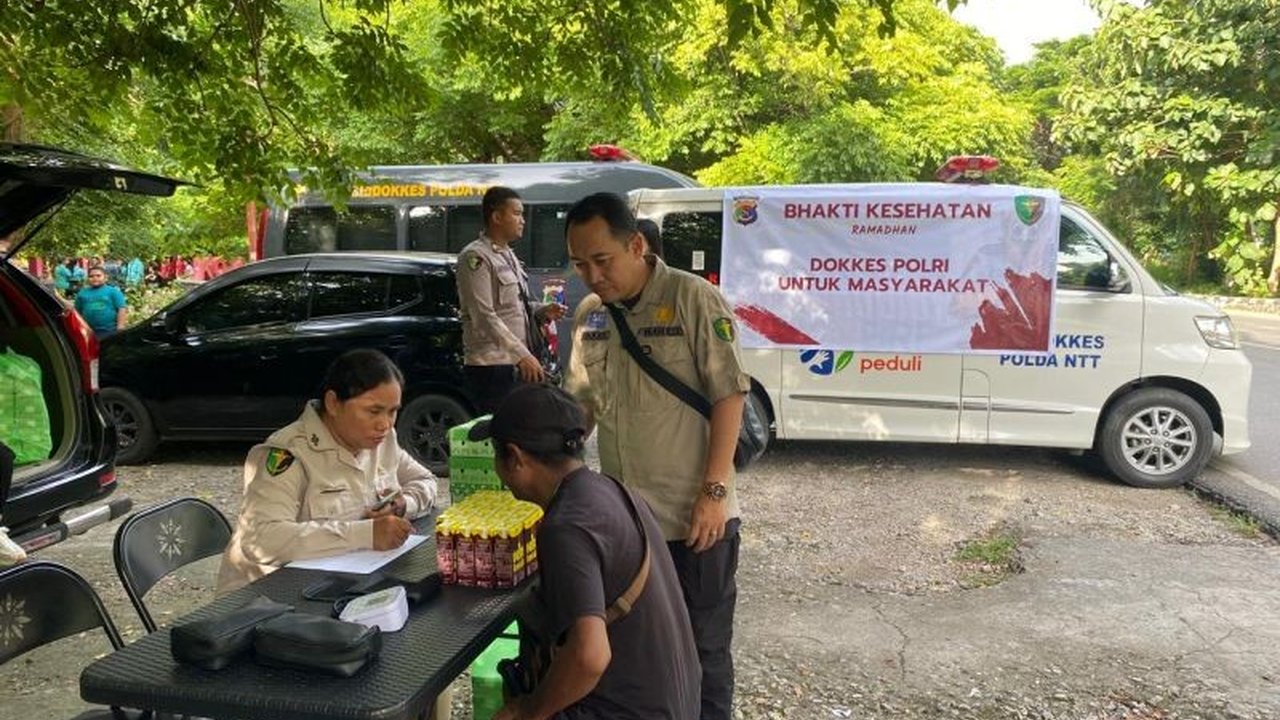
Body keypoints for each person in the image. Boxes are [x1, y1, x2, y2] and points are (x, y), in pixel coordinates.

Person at [564, 192, 749, 720]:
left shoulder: (693, 298)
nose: (593, 275)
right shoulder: (591, 316)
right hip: (627, 528)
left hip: (694, 522)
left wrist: (714, 494)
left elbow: (729, 395)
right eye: (580, 264)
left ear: (636, 246)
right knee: (641, 654)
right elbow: (580, 408)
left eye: (602, 260)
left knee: (704, 651)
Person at [469, 383, 700, 720]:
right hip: (678, 704)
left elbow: (590, 657)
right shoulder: (614, 491)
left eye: (496, 453)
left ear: (515, 458)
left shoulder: (566, 526)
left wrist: (529, 711)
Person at [216, 348, 438, 595]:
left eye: (392, 411)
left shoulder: (382, 441)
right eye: (373, 411)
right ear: (333, 403)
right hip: (264, 597)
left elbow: (426, 480)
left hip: (336, 584)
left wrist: (401, 505)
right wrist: (366, 534)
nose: (385, 424)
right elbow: (262, 539)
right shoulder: (289, 453)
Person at [455, 186, 566, 413]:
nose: (522, 220)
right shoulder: (475, 257)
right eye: (516, 213)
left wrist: (541, 310)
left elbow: (513, 306)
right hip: (492, 366)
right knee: (502, 429)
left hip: (514, 363)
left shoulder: (508, 255)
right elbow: (483, 315)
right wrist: (521, 355)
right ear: (496, 217)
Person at [73, 265, 128, 339]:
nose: (95, 278)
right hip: (89, 332)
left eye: (98, 276)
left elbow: (121, 309)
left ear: (105, 277)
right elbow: (77, 312)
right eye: (91, 276)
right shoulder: (82, 293)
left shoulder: (113, 291)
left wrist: (120, 327)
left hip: (110, 331)